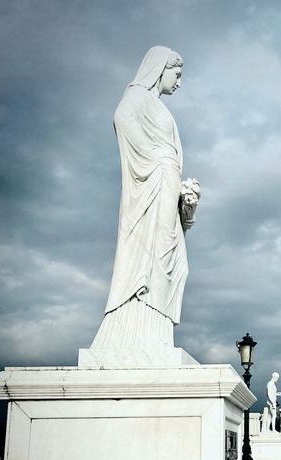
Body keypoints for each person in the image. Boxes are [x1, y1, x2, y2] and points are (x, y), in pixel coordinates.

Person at [91, 47, 201, 354]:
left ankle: (156, 330)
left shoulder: (155, 103)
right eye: (176, 75)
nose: (178, 83)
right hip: (155, 178)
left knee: (172, 259)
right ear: (160, 68)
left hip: (167, 181)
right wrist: (153, 161)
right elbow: (121, 119)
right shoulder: (138, 95)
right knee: (155, 252)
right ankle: (139, 332)